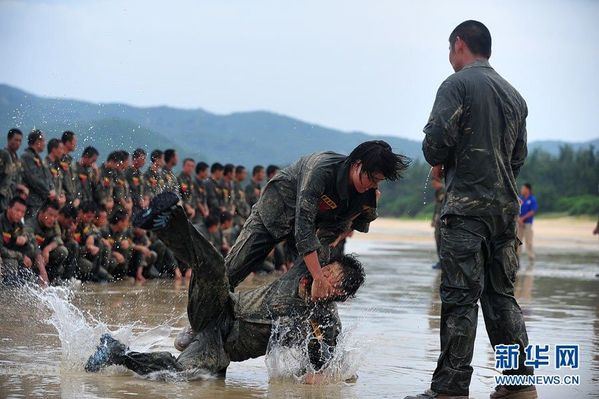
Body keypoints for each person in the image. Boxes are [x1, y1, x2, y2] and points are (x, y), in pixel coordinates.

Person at [85, 192, 365, 382]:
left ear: (339, 295)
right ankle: (167, 221)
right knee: (216, 269)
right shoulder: (306, 270)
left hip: (220, 347)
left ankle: (116, 352)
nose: (322, 276)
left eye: (331, 279)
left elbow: (329, 367)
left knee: (181, 374)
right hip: (218, 308)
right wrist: (359, 201)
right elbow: (328, 230)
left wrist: (332, 378)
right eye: (325, 270)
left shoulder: (325, 321)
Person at [406, 21, 535, 399]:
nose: (450, 58)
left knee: (460, 297)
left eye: (450, 50)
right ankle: (518, 383)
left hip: (466, 211)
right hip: (504, 214)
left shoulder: (456, 84)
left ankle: (450, 388)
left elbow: (435, 145)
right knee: (501, 297)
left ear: (459, 45)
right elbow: (518, 158)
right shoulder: (515, 96)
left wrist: (441, 160)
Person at [225, 141, 409, 299]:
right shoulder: (321, 169)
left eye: (378, 181)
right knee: (231, 271)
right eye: (371, 178)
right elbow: (303, 226)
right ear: (357, 165)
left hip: (317, 225)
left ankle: (287, 319)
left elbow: (344, 228)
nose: (372, 185)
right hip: (276, 212)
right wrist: (318, 276)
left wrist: (319, 275)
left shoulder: (368, 192)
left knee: (306, 281)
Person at [0, 197, 48, 285]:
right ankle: (7, 288)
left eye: (22, 212)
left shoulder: (18, 224)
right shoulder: (1, 222)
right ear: (9, 208)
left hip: (11, 253)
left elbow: (32, 242)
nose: (19, 214)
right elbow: (1, 250)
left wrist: (43, 271)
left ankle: (32, 282)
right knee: (12, 263)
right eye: (17, 210)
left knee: (31, 251)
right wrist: (21, 257)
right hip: (3, 257)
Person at [26, 200, 69, 283]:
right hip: (31, 258)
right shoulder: (30, 224)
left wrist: (47, 249)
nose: (52, 219)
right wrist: (42, 271)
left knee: (62, 251)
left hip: (44, 257)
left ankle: (51, 280)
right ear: (41, 213)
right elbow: (33, 247)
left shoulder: (53, 222)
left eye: (55, 216)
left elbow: (58, 239)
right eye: (50, 215)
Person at [21, 130, 56, 220]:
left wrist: (52, 189)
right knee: (32, 225)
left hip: (41, 200)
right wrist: (48, 191)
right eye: (43, 141)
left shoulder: (37, 157)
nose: (45, 143)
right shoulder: (27, 157)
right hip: (33, 201)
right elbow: (33, 178)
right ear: (37, 142)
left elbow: (47, 176)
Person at [0, 128, 28, 211]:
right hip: (3, 197)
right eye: (16, 140)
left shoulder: (16, 158)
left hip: (13, 198)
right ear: (9, 139)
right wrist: (18, 186)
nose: (18, 143)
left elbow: (18, 177)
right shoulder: (3, 155)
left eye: (20, 141)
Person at [517, 183, 537, 262]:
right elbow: (515, 209)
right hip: (519, 223)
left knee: (529, 241)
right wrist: (519, 219)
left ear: (527, 190)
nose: (521, 190)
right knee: (518, 241)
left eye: (523, 188)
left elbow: (532, 211)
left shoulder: (532, 199)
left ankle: (531, 258)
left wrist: (522, 219)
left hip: (527, 223)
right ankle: (517, 258)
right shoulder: (520, 199)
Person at [60, 131, 79, 207]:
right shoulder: (60, 159)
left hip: (72, 200)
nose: (75, 144)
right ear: (68, 142)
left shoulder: (70, 160)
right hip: (63, 200)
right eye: (74, 142)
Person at [45, 138, 67, 208]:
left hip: (58, 205)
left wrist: (63, 195)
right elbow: (47, 185)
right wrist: (57, 198)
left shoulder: (58, 166)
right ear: (54, 149)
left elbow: (61, 184)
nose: (62, 152)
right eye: (61, 149)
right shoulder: (44, 165)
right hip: (48, 204)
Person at [430, 176, 445, 269]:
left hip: (442, 220)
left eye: (434, 183)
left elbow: (442, 207)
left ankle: (443, 261)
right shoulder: (438, 192)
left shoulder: (444, 191)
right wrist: (433, 220)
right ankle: (440, 261)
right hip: (438, 220)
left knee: (441, 241)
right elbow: (436, 208)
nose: (433, 185)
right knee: (438, 240)